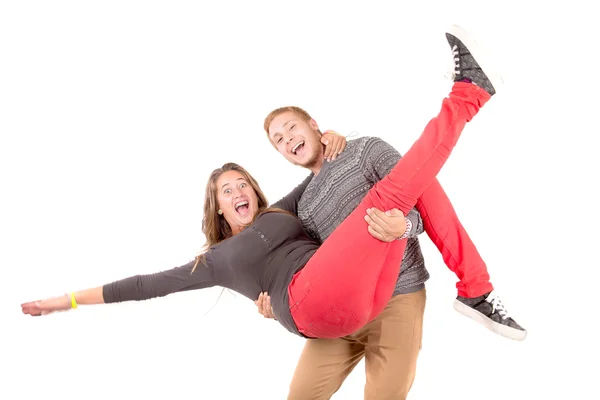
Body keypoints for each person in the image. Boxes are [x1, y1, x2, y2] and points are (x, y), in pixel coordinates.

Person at [21, 25, 522, 395]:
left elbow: (331, 179)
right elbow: (140, 286)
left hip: (369, 298)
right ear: (216, 209)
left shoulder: (290, 208)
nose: (237, 191)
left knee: (395, 197)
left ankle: (469, 101)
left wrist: (332, 144)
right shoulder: (216, 260)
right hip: (312, 307)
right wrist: (64, 301)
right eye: (225, 191)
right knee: (389, 195)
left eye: (242, 183)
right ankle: (468, 96)